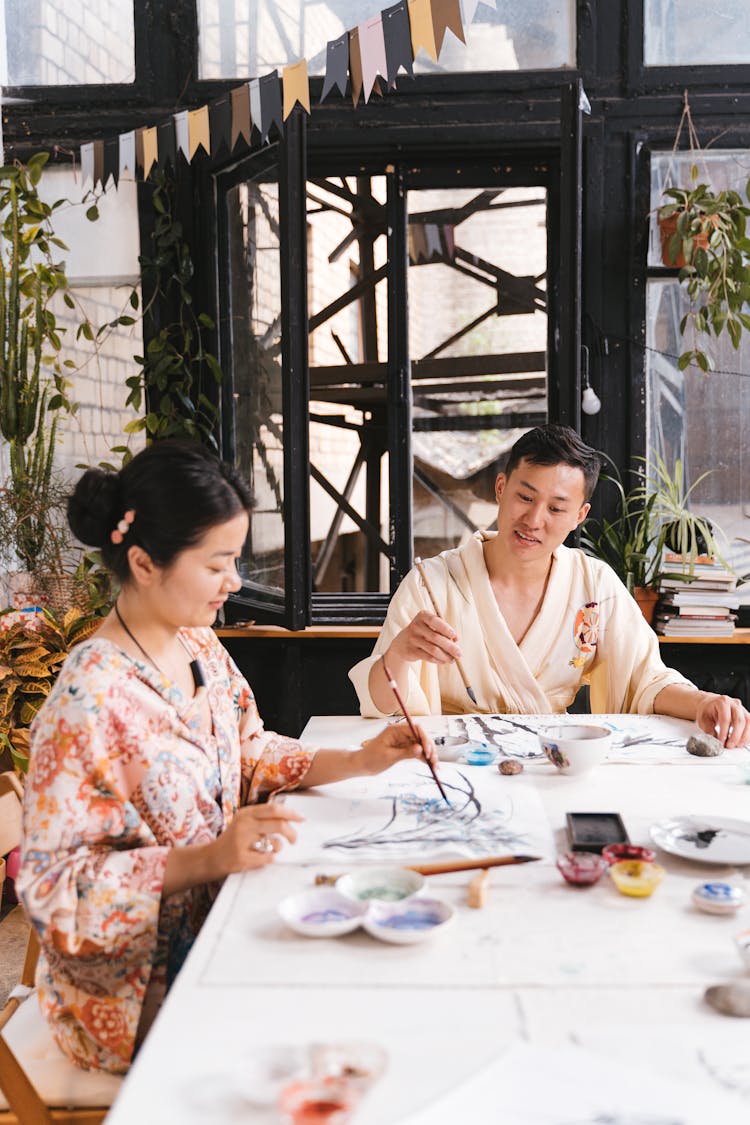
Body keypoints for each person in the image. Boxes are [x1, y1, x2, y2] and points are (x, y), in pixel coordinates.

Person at [17, 441, 436, 1075]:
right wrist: (210, 857)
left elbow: (248, 748)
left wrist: (363, 759)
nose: (234, 583)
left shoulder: (195, 643)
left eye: (235, 561)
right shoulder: (89, 700)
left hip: (223, 916)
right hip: (133, 989)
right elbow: (55, 893)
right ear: (144, 562)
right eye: (218, 564)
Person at [350, 424, 750, 747]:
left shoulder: (594, 584)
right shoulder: (431, 585)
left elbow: (646, 680)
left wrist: (705, 703)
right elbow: (385, 707)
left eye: (557, 508)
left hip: (552, 760)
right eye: (525, 497)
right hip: (456, 762)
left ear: (579, 515)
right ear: (501, 488)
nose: (534, 519)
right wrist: (399, 655)